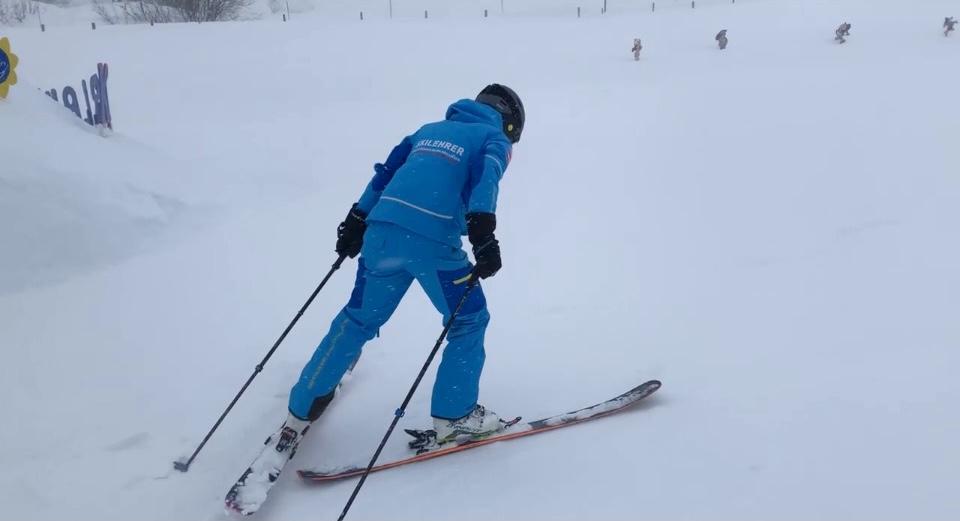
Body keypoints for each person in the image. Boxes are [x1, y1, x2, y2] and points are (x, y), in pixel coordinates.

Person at [265, 84, 525, 463]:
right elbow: (486, 182)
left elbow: (384, 176)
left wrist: (356, 220)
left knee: (356, 321)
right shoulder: (492, 138)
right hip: (433, 246)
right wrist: (483, 234)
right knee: (468, 320)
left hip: (380, 236)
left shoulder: (426, 131)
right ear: (510, 124)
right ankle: (456, 417)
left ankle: (301, 407)